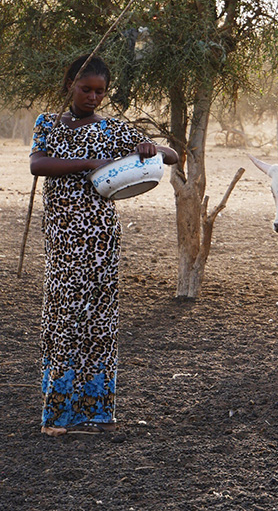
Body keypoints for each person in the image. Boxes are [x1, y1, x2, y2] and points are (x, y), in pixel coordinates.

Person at [29, 55, 179, 437]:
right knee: (65, 317)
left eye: (100, 91)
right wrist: (88, 162)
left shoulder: (112, 128)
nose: (93, 97)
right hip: (64, 236)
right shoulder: (48, 123)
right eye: (86, 89)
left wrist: (148, 147)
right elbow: (38, 165)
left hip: (100, 237)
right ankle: (58, 418)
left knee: (99, 317)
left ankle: (96, 412)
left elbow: (172, 156)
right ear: (70, 85)